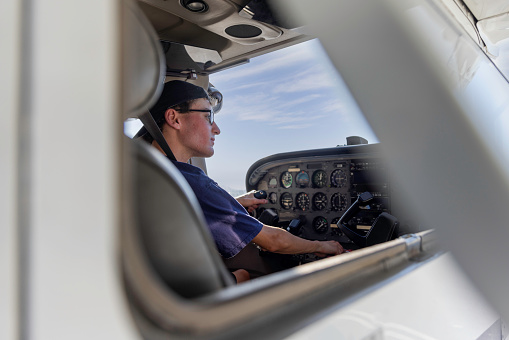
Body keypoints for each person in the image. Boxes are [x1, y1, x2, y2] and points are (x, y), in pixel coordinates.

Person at [137, 80, 344, 280]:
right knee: (245, 275)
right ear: (175, 119)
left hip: (155, 281)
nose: (216, 128)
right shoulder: (188, 180)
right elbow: (274, 241)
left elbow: (187, 217)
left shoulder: (147, 171)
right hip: (189, 292)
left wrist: (232, 205)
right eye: (208, 116)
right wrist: (321, 246)